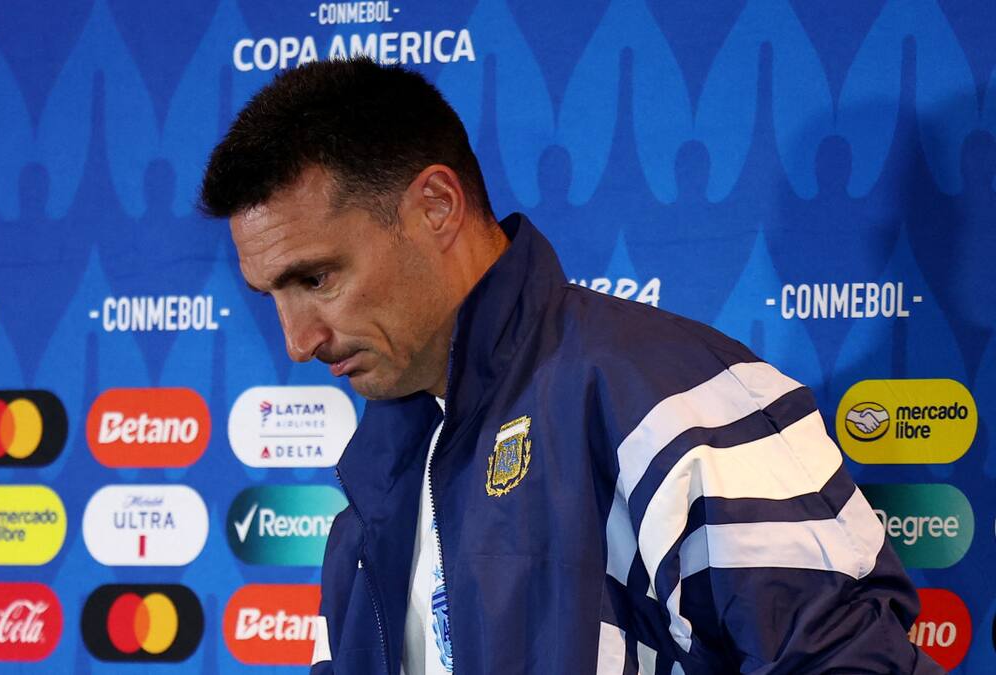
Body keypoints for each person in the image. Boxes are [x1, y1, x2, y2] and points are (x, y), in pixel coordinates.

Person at [200, 57, 942, 675]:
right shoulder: (377, 481)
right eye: (272, 294)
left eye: (317, 278)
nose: (298, 339)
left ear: (435, 205)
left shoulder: (670, 395)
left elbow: (847, 659)